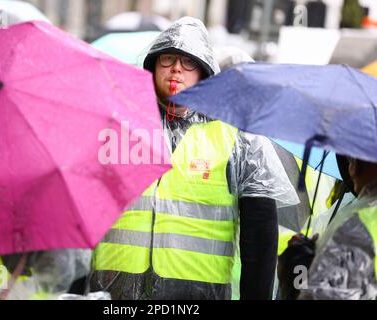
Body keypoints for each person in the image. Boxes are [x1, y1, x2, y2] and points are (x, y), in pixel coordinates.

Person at [87, 16, 298, 300]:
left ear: (203, 72)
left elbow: (260, 236)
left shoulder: (238, 137)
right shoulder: (118, 128)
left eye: (189, 61)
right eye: (168, 59)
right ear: (153, 66)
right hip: (113, 294)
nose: (176, 68)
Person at [278, 155, 377, 300]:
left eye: (356, 160)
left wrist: (297, 271)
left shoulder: (358, 227)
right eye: (350, 161)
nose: (352, 170)